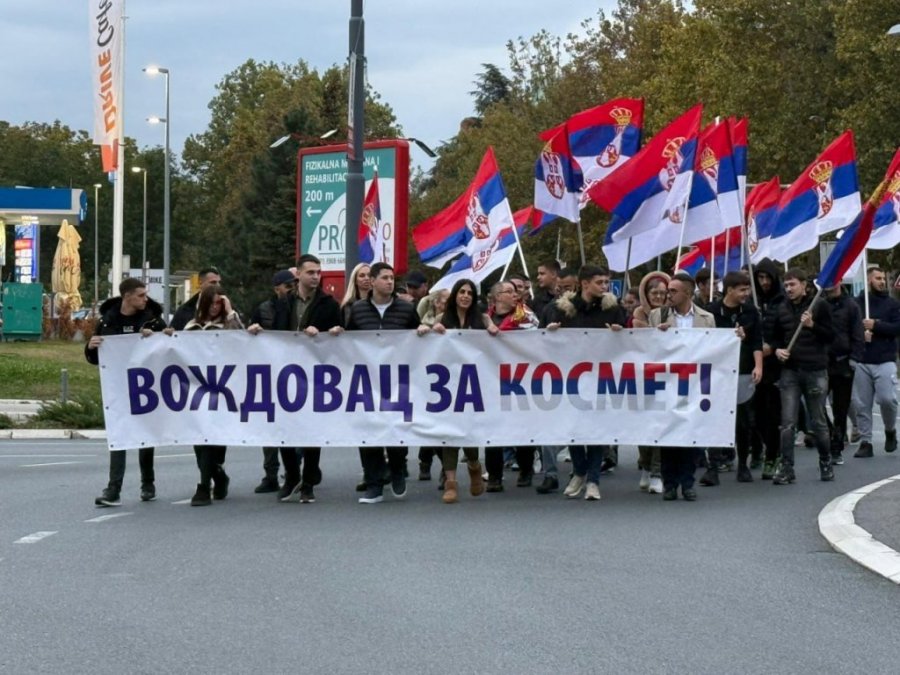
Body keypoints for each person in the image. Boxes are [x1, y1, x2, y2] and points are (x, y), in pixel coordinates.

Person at [332, 262, 430, 504]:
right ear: (373, 281)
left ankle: (397, 471)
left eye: (392, 278)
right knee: (368, 431)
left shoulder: (405, 309)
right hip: (367, 381)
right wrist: (338, 334)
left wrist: (423, 330)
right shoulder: (358, 310)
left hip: (397, 381)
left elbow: (418, 338)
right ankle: (374, 484)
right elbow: (350, 341)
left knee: (395, 428)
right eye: (385, 278)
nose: (390, 282)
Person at [249, 256, 342, 503]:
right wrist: (258, 332)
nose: (316, 276)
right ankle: (292, 476)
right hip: (286, 373)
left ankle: (308, 481)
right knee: (285, 428)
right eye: (310, 272)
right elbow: (275, 331)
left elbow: (340, 336)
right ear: (298, 274)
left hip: (315, 375)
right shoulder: (283, 303)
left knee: (312, 430)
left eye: (318, 272)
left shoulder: (328, 304)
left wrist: (329, 332)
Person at [545, 265, 625, 501]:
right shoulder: (561, 310)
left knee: (596, 430)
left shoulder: (613, 310)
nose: (604, 287)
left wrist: (620, 333)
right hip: (570, 379)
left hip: (601, 379)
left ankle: (593, 481)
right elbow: (541, 343)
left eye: (606, 282)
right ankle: (579, 471)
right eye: (600, 282)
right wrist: (549, 332)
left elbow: (628, 343)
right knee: (574, 427)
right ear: (584, 283)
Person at [87, 278, 167, 507]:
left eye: (145, 295)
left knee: (145, 435)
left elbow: (168, 349)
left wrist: (160, 336)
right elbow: (97, 358)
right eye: (141, 295)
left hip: (147, 386)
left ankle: (148, 483)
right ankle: (113, 489)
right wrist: (91, 347)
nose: (145, 299)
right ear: (127, 296)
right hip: (118, 388)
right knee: (119, 435)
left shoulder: (153, 320)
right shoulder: (107, 321)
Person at [649, 272, 716, 501]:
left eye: (673, 291)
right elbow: (647, 347)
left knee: (690, 434)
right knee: (668, 434)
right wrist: (657, 335)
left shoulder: (706, 318)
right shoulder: (657, 315)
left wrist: (735, 337)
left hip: (694, 383)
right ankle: (669, 483)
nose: (668, 295)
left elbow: (716, 347)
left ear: (687, 293)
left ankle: (687, 483)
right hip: (667, 382)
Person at [430, 278, 495, 503]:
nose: (465, 296)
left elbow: (494, 338)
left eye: (469, 293)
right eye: (462, 292)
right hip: (447, 384)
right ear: (455, 295)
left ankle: (475, 466)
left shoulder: (482, 319)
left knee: (468, 431)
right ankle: (451, 483)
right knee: (448, 433)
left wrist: (492, 330)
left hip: (473, 383)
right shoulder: (442, 318)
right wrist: (431, 330)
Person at [770, 268, 835, 484]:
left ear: (804, 285)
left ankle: (825, 461)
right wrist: (778, 350)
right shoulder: (781, 308)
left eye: (793, 284)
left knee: (818, 421)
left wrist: (812, 325)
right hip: (790, 371)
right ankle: (787, 467)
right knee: (787, 422)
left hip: (815, 370)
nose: (789, 289)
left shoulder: (819, 305)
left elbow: (831, 336)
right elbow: (775, 337)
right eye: (786, 285)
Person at [182, 285, 243, 506]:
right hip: (197, 392)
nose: (215, 307)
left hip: (223, 392)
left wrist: (230, 311)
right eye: (212, 303)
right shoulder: (192, 327)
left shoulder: (228, 324)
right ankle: (211, 479)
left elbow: (241, 342)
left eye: (219, 303)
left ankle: (208, 481)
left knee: (215, 442)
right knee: (200, 441)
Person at [704, 271, 763, 484]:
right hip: (717, 373)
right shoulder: (711, 312)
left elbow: (757, 341)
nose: (746, 293)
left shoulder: (751, 311)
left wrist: (758, 366)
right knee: (715, 418)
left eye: (747, 289)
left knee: (744, 421)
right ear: (729, 290)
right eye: (742, 290)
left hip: (743, 370)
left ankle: (743, 465)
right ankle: (713, 466)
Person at [483, 280, 540, 491]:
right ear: (497, 296)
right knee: (492, 429)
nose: (514, 294)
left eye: (515, 291)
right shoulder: (483, 319)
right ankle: (495, 476)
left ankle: (526, 469)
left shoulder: (526, 316)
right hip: (491, 379)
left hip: (519, 379)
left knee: (522, 426)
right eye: (509, 291)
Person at [247, 269, 299, 494]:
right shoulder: (263, 309)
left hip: (294, 373)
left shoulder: (298, 307)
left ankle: (294, 470)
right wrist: (253, 330)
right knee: (269, 427)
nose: (292, 289)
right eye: (288, 286)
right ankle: (270, 474)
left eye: (293, 285)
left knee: (295, 425)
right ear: (277, 288)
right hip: (269, 374)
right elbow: (249, 338)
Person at [851, 266, 900, 457]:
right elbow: (847, 327)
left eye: (883, 278)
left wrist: (876, 325)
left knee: (888, 399)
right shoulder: (857, 304)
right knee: (862, 404)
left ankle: (890, 430)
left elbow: (897, 327)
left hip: (885, 359)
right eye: (878, 278)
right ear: (868, 280)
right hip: (862, 359)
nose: (882, 282)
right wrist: (860, 334)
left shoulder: (892, 304)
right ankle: (866, 441)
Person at [629, 271, 670, 493]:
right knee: (643, 425)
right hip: (641, 376)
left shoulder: (671, 315)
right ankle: (645, 465)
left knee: (661, 425)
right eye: (654, 293)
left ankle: (656, 472)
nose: (659, 297)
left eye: (663, 293)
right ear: (646, 293)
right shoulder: (637, 316)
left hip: (666, 376)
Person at [824, 282, 864, 464]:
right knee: (815, 404)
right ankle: (831, 432)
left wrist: (854, 358)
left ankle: (836, 447)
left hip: (843, 362)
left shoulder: (851, 306)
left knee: (840, 408)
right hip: (821, 362)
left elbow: (857, 333)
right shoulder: (818, 304)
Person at [753, 258, 785, 478]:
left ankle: (773, 456)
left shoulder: (782, 302)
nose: (764, 282)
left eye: (767, 278)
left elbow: (786, 331)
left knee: (774, 414)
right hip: (754, 366)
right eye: (760, 277)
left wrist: (772, 347)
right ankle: (764, 448)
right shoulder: (752, 302)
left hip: (775, 366)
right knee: (756, 415)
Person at [170, 266, 222, 330]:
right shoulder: (183, 312)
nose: (218, 286)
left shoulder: (227, 309)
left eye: (219, 282)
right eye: (213, 282)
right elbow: (174, 333)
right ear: (200, 283)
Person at [341, 262, 372, 327]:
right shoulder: (348, 307)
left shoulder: (379, 303)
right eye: (362, 276)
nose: (366, 278)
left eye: (369, 275)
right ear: (355, 280)